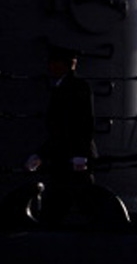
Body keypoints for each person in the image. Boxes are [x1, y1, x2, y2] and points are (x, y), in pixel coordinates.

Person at [25, 44, 97, 226]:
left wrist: (80, 155)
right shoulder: (63, 87)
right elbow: (60, 131)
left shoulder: (77, 87)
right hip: (64, 155)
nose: (50, 66)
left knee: (80, 198)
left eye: (54, 62)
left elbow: (84, 123)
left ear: (66, 64)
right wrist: (41, 154)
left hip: (73, 156)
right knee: (65, 199)